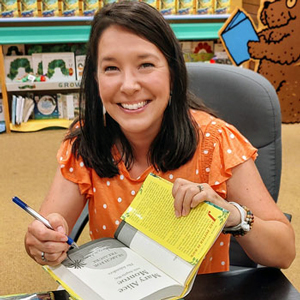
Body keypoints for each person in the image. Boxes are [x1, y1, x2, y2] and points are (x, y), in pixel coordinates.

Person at [25, 1, 295, 274]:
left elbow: (283, 252)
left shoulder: (216, 141)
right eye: (111, 68)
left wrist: (232, 215)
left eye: (145, 65)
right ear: (95, 78)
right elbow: (47, 233)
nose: (128, 85)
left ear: (173, 73)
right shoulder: (85, 144)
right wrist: (43, 243)